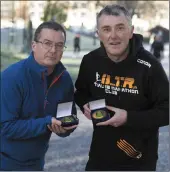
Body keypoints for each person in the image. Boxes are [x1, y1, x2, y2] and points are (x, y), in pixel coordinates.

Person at [74, 4, 169, 171]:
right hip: (99, 158)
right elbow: (81, 93)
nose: (113, 36)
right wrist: (85, 105)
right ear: (98, 34)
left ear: (131, 31)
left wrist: (128, 118)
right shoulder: (90, 61)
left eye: (120, 28)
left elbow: (167, 110)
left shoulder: (150, 66)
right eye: (106, 29)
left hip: (139, 161)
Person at [1, 21, 78, 171]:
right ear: (34, 45)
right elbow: (5, 127)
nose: (53, 50)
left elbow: (67, 117)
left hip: (37, 163)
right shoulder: (12, 77)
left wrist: (65, 128)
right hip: (4, 163)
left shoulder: (64, 79)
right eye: (47, 43)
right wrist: (46, 123)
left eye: (59, 45)